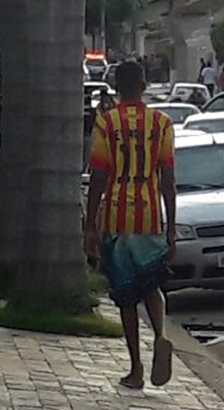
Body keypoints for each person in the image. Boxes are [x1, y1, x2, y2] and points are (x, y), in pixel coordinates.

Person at [85, 62, 176, 390]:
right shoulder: (162, 123)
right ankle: (162, 335)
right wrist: (171, 228)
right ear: (145, 85)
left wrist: (90, 225)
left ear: (116, 86)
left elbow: (98, 175)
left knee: (126, 295)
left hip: (116, 217)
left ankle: (136, 368)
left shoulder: (106, 123)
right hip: (150, 215)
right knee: (151, 284)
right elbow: (168, 179)